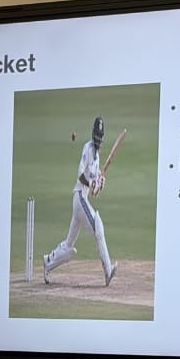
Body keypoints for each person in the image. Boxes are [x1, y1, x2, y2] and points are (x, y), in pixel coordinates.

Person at [43, 115, 118, 286]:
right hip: (79, 198)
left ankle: (48, 262)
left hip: (82, 200)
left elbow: (95, 191)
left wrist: (99, 183)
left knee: (69, 246)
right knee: (98, 228)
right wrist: (91, 183)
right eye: (96, 135)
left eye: (100, 136)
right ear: (93, 134)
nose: (98, 139)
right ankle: (108, 270)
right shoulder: (88, 149)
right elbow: (80, 175)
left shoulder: (98, 157)